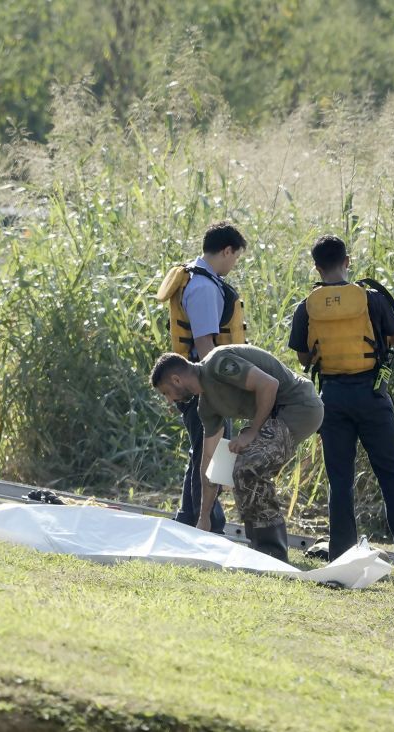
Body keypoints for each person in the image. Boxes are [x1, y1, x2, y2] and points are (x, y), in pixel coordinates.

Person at [288, 235, 394, 576]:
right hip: (372, 394)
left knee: (339, 479)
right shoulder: (372, 298)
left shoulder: (307, 306)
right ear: (347, 262)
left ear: (317, 267)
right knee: (392, 474)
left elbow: (304, 356)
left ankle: (341, 551)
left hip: (332, 398)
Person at [150, 345, 324, 562]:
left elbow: (269, 385)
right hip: (276, 416)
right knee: (239, 469)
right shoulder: (206, 407)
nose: (169, 400)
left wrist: (252, 431)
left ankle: (273, 554)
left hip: (299, 406)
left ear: (177, 380)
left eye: (166, 392)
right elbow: (208, 462)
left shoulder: (218, 364)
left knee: (248, 466)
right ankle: (261, 549)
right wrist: (204, 517)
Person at [155, 221, 248, 534]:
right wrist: (218, 389)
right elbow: (206, 344)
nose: (234, 264)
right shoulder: (204, 287)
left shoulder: (196, 278)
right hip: (203, 384)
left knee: (204, 451)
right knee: (211, 452)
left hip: (200, 381)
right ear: (226, 250)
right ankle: (204, 522)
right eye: (235, 257)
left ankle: (190, 517)